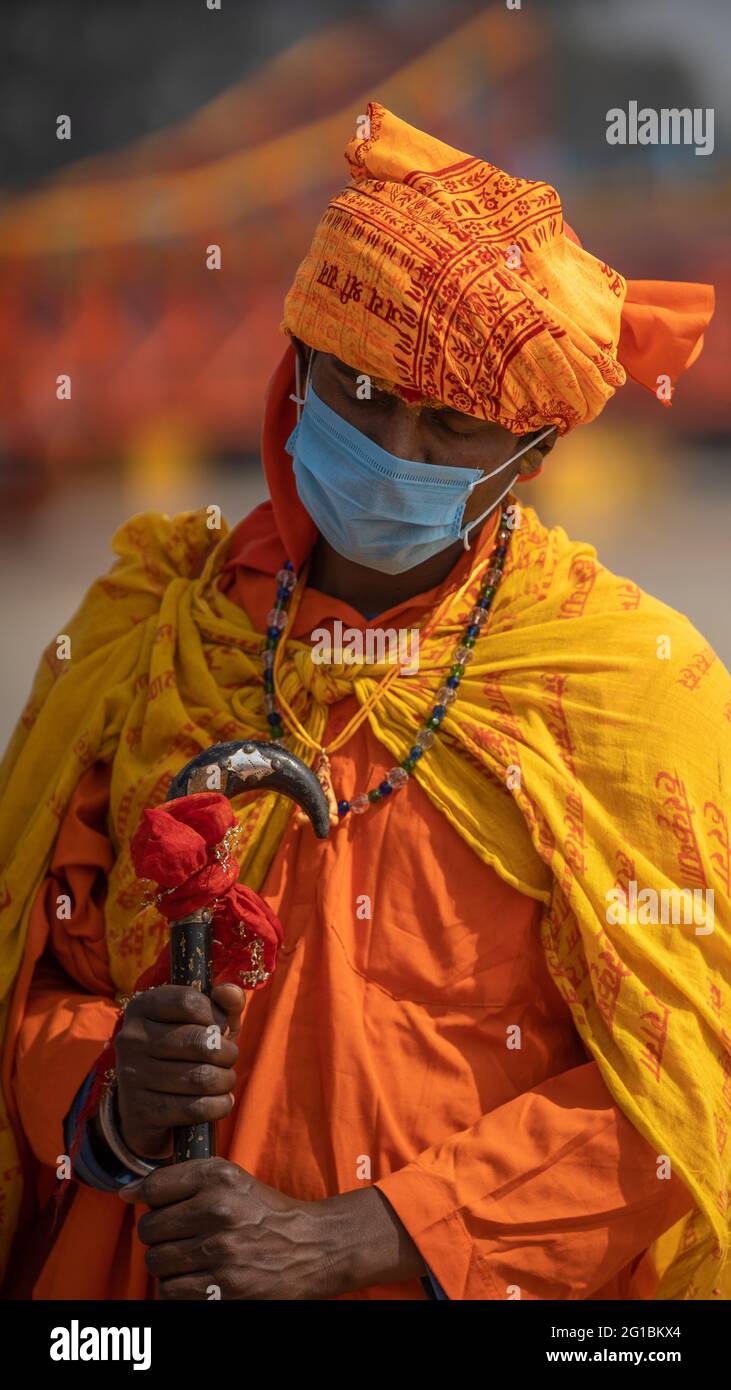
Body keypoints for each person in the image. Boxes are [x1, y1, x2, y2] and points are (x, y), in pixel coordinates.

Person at [1, 102, 728, 1302]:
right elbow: (34, 985)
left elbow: (685, 1082)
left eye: (448, 424)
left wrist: (367, 1235)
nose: (392, 443)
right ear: (293, 373)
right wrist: (107, 1096)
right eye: (361, 390)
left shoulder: (629, 692)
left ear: (527, 457)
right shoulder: (147, 641)